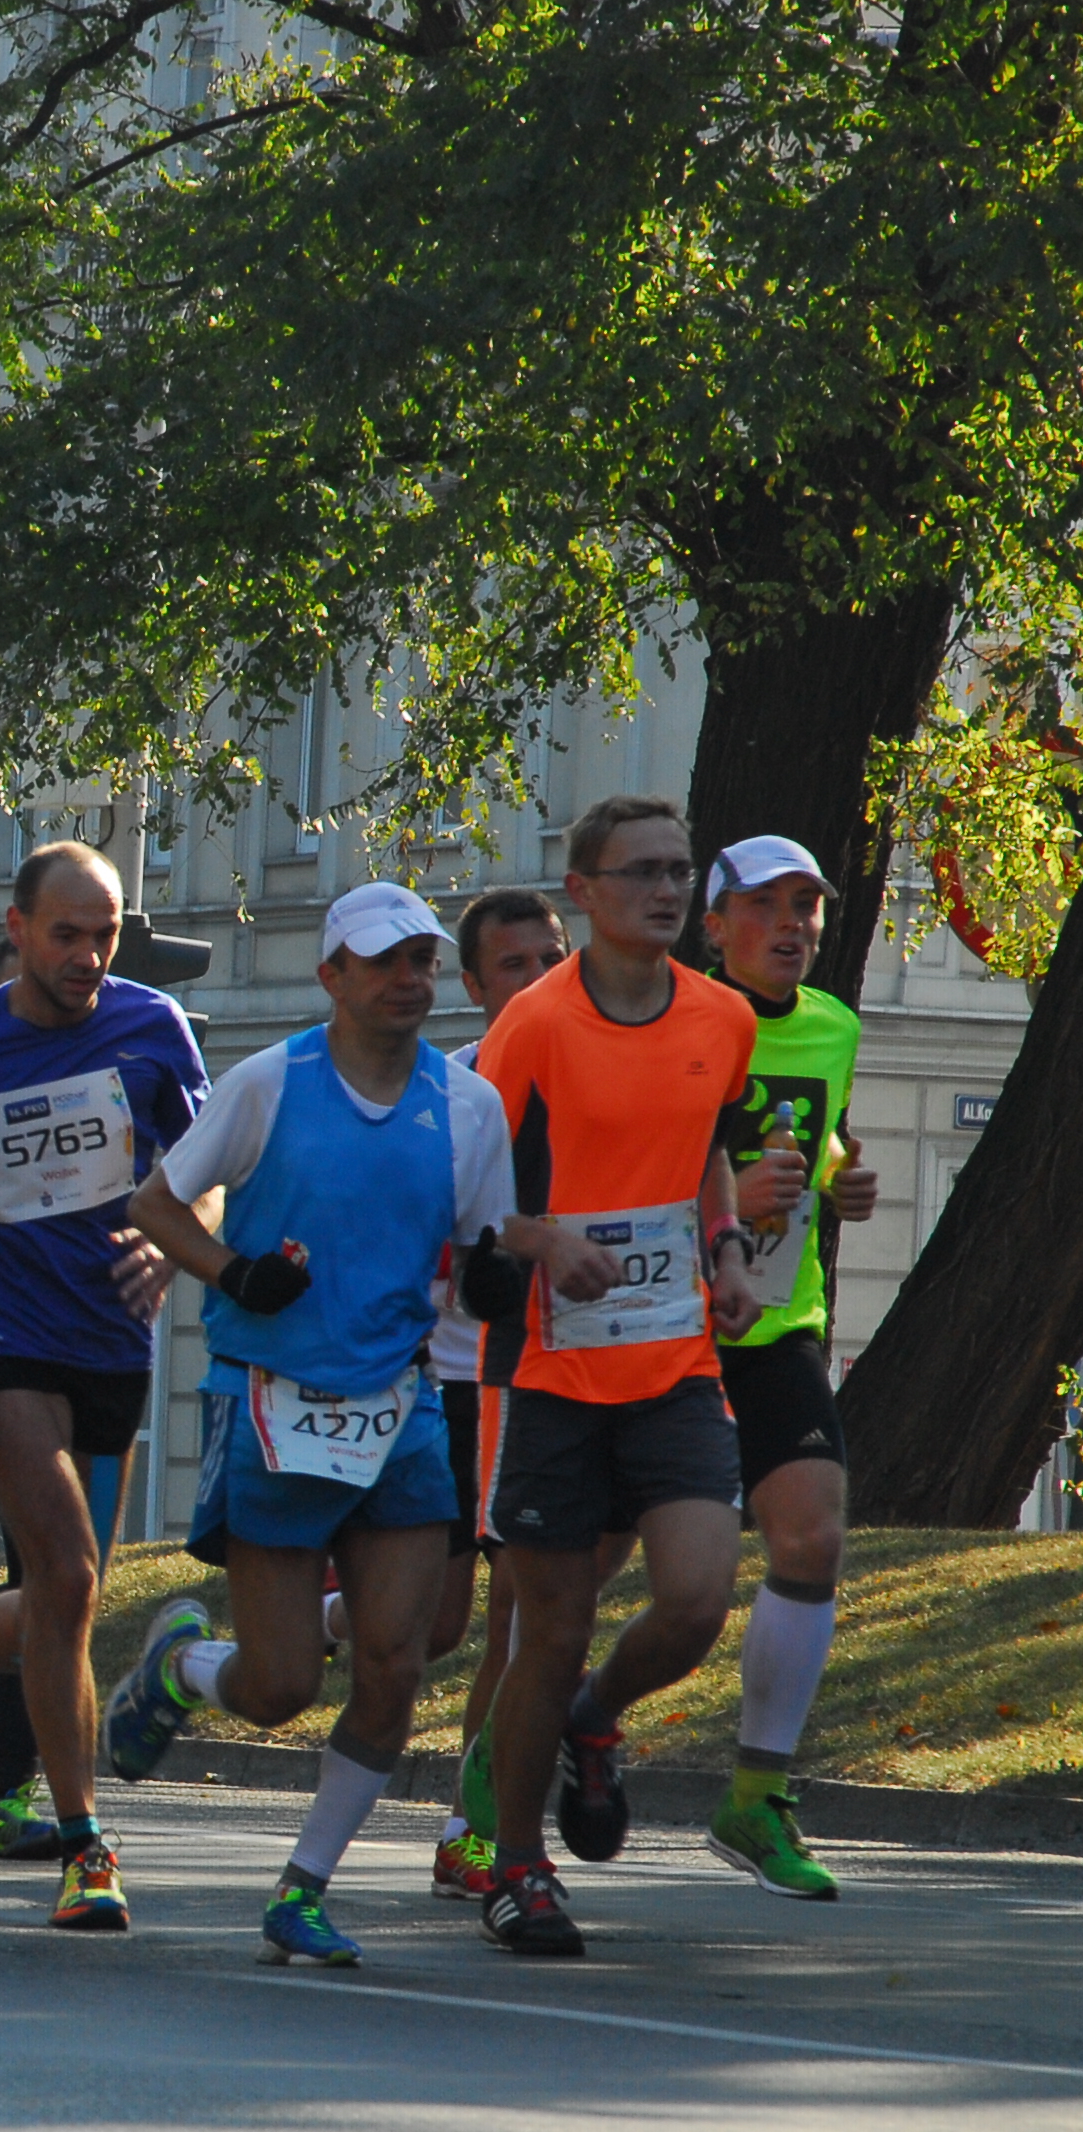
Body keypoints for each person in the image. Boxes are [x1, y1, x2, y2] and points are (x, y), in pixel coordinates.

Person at [107, 884, 523, 1962]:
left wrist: (504, 1285)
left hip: (400, 1407)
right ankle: (179, 1668)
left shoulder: (466, 1106)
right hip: (275, 1405)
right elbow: (155, 1206)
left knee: (397, 1658)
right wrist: (235, 1272)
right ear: (330, 975)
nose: (406, 981)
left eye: (421, 963)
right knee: (279, 1685)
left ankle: (302, 1887)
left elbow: (480, 1258)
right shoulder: (269, 1084)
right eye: (383, 962)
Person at [0, 844, 209, 1929]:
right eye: (65, 934)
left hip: (110, 1337)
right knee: (60, 1565)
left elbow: (205, 1178)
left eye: (103, 934)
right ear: (15, 929)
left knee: (72, 1593)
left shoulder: (152, 1029)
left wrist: (174, 1247)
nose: (87, 956)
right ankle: (83, 1840)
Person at [467, 792, 762, 1957]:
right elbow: (473, 1191)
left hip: (675, 1355)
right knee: (549, 1627)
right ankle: (514, 1867)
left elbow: (707, 1162)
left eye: (679, 871)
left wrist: (726, 1249)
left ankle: (598, 1717)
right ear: (582, 890)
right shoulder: (532, 1025)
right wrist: (545, 1241)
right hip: (549, 1367)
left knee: (693, 1598)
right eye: (639, 871)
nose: (665, 890)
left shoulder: (721, 1017)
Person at [695, 834, 879, 1900]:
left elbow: (821, 1140)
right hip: (659, 1322)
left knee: (811, 1533)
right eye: (766, 906)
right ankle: (519, 1762)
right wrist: (719, 1209)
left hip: (775, 1317)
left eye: (807, 905)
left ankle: (754, 1795)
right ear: (714, 925)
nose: (792, 925)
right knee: (600, 1570)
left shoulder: (833, 1026)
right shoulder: (675, 1020)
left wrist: (841, 1175)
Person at [421, 888, 573, 1903]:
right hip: (444, 1375)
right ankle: (311, 1622)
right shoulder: (447, 1095)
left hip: (544, 1373)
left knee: (518, 1614)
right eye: (511, 966)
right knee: (429, 1628)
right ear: (473, 988)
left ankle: (469, 1830)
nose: (534, 980)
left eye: (547, 958)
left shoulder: (599, 1070)